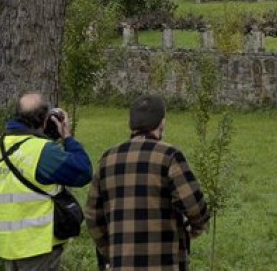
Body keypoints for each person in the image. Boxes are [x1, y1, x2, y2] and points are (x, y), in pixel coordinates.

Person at [85, 95, 210, 270]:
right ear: (162, 123)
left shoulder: (108, 159)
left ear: (131, 123)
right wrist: (195, 229)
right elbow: (195, 205)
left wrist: (111, 250)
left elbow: (92, 216)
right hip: (164, 263)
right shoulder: (169, 156)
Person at [0, 91, 93, 270]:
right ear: (45, 119)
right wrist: (67, 136)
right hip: (36, 245)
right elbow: (83, 171)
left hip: (6, 245)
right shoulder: (43, 151)